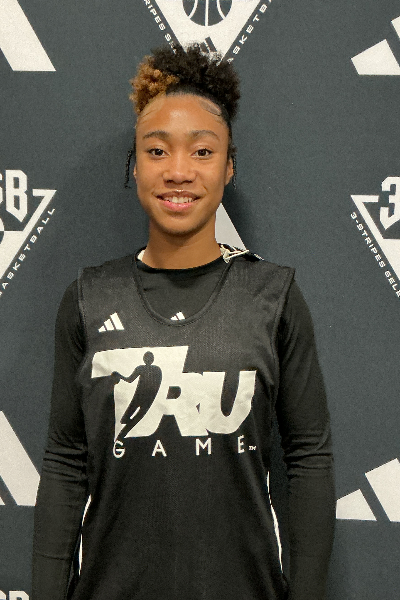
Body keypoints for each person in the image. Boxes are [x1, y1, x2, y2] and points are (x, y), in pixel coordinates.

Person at [32, 44, 335, 600]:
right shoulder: (88, 299)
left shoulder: (274, 297)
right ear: (135, 165)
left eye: (202, 151)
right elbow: (65, 464)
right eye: (156, 150)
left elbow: (309, 458)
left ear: (228, 166)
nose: (178, 171)